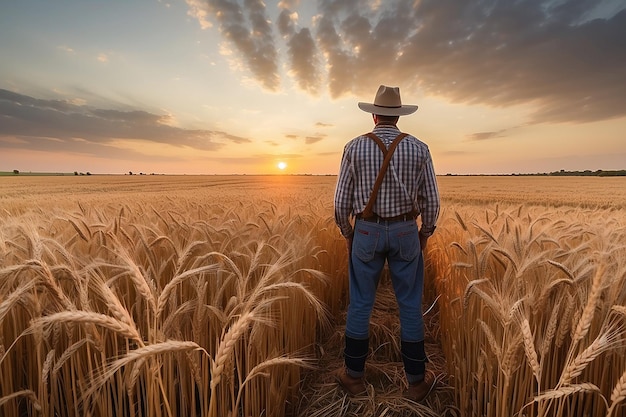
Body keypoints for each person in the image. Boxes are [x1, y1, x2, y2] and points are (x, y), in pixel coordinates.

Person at [333, 85, 440, 402]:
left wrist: (349, 233)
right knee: (409, 305)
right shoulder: (419, 148)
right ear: (398, 116)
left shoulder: (354, 147)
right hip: (406, 230)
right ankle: (417, 382)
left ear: (375, 114)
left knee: (361, 303)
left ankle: (353, 376)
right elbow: (431, 201)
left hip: (367, 231)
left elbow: (341, 203)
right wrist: (424, 233)